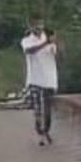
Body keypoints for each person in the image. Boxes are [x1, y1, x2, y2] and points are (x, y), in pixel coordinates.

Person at [21, 15, 58, 146]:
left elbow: (59, 56)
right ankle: (40, 134)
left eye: (41, 24)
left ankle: (45, 130)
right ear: (31, 26)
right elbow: (30, 51)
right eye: (36, 25)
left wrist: (56, 42)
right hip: (35, 80)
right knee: (38, 109)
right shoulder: (27, 40)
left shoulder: (48, 39)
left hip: (49, 80)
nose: (39, 27)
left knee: (47, 110)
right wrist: (45, 43)